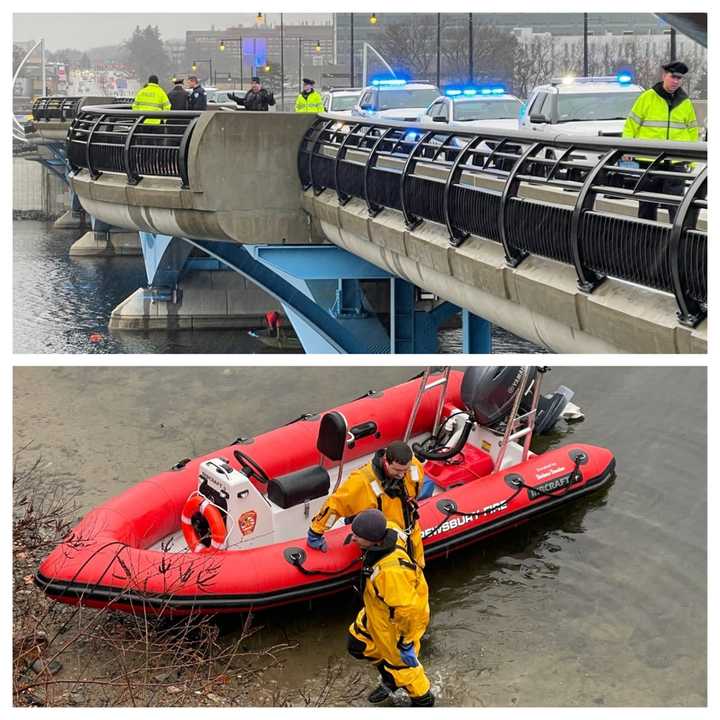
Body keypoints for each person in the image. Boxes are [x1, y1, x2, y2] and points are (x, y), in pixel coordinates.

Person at [346, 509, 434, 707]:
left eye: (358, 536)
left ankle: (424, 700)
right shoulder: (389, 528)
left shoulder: (391, 572)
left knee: (404, 669)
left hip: (394, 624)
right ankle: (390, 679)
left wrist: (406, 642)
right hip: (376, 609)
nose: (353, 539)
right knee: (357, 644)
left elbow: (408, 612)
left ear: (374, 540)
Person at [307, 440, 425, 568]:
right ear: (386, 461)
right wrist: (316, 532)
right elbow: (336, 505)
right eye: (397, 470)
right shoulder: (362, 482)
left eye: (404, 470)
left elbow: (413, 494)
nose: (401, 475)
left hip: (411, 530)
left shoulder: (414, 467)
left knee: (417, 567)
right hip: (382, 540)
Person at [622, 60, 699, 221]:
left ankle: (676, 245)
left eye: (679, 78)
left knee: (677, 209)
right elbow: (631, 125)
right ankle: (646, 243)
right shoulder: (647, 98)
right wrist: (626, 149)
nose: (676, 81)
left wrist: (691, 160)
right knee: (647, 207)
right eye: (673, 77)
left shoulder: (685, 102)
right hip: (649, 161)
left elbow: (692, 131)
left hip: (676, 162)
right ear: (664, 76)